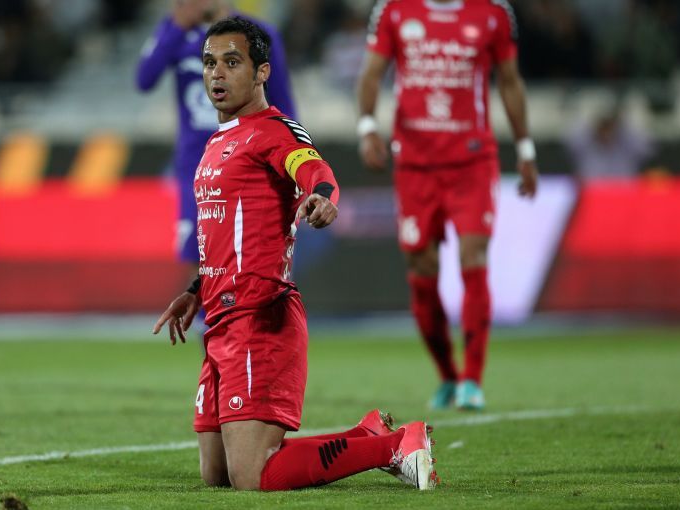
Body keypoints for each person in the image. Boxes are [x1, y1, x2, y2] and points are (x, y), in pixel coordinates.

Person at [153, 17, 436, 491]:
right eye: (209, 63)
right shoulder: (218, 141)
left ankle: (397, 445)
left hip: (258, 317)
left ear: (262, 72)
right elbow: (225, 236)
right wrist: (195, 290)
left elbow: (314, 169)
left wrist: (323, 197)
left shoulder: (274, 131)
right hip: (219, 318)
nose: (217, 73)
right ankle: (366, 434)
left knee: (252, 475)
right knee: (216, 473)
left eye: (232, 62)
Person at [357, 0, 539, 410]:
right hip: (415, 164)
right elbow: (371, 72)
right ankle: (447, 376)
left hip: (472, 160)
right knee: (421, 269)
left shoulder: (492, 12)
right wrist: (367, 127)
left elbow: (510, 81)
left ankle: (473, 379)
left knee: (474, 256)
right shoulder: (394, 9)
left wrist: (525, 148)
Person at [136, 0, 296, 289]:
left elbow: (283, 104)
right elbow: (144, 79)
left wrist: (291, 165)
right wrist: (176, 26)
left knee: (253, 256)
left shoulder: (259, 33)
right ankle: (206, 318)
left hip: (249, 161)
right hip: (196, 165)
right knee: (198, 257)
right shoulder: (177, 30)